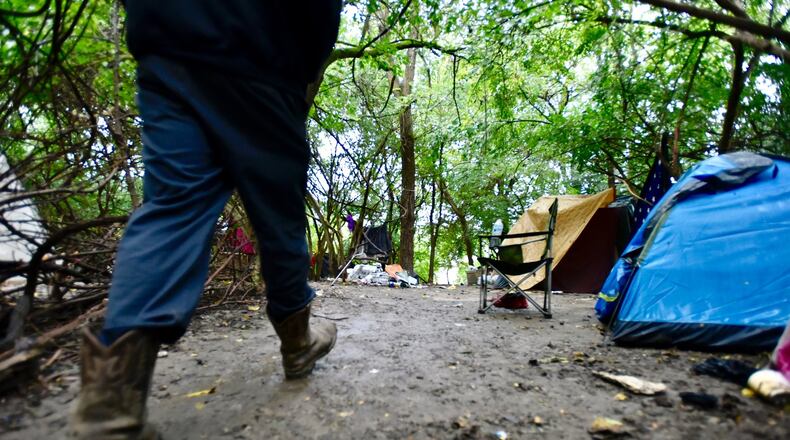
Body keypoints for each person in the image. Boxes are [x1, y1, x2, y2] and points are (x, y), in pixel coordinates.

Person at [69, 1, 342, 438]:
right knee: (280, 217)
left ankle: (109, 404)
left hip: (168, 40)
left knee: (172, 208)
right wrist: (306, 60)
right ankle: (297, 344)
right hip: (263, 49)